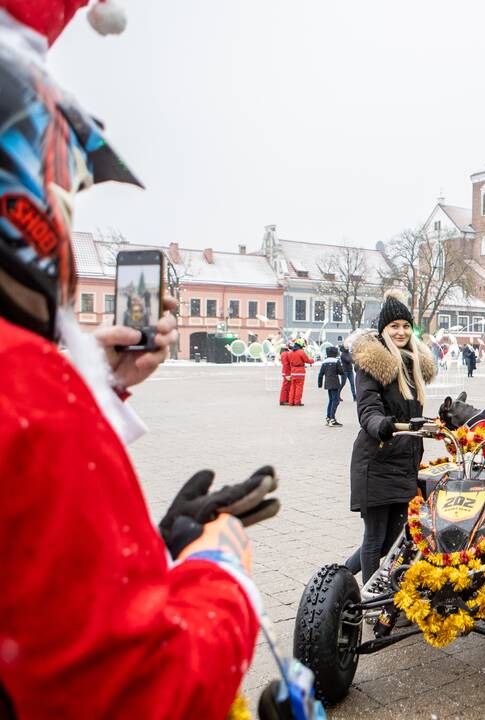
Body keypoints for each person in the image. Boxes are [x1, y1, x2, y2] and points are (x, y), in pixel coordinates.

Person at [0, 3, 282, 716]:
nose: (68, 212)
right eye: (65, 189)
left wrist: (97, 382)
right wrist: (217, 570)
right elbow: (141, 691)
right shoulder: (26, 385)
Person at [345, 290, 436, 583]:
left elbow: (414, 416)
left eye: (406, 326)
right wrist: (381, 424)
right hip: (377, 461)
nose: (401, 331)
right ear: (384, 330)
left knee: (396, 540)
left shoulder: (413, 365)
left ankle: (347, 575)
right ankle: (371, 597)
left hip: (405, 463)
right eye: (394, 326)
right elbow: (368, 409)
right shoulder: (374, 365)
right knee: (375, 538)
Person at [318, 345, 346, 427]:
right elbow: (341, 372)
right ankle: (332, 419)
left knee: (331, 400)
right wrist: (342, 370)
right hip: (335, 383)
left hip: (327, 383)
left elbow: (320, 374)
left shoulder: (324, 362)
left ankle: (328, 417)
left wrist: (319, 384)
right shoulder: (336, 361)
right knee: (336, 401)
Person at [287, 339, 313, 406]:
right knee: (299, 388)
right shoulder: (301, 352)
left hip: (293, 371)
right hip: (300, 372)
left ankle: (290, 402)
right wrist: (312, 360)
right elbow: (307, 360)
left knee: (292, 387)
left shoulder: (290, 353)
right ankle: (297, 402)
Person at [279, 340, 293, 405]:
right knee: (285, 387)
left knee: (286, 386)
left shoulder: (284, 353)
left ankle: (285, 399)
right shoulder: (287, 354)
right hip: (287, 372)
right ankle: (283, 400)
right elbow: (287, 364)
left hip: (285, 372)